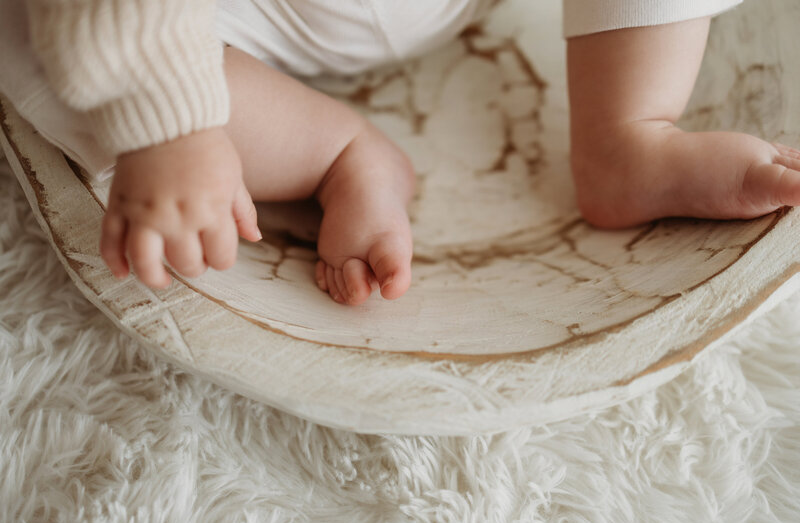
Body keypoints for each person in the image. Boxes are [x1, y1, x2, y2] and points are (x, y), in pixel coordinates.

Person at [7, 0, 798, 306]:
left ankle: (628, 131)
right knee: (40, 48)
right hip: (215, 22)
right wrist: (168, 117)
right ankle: (332, 150)